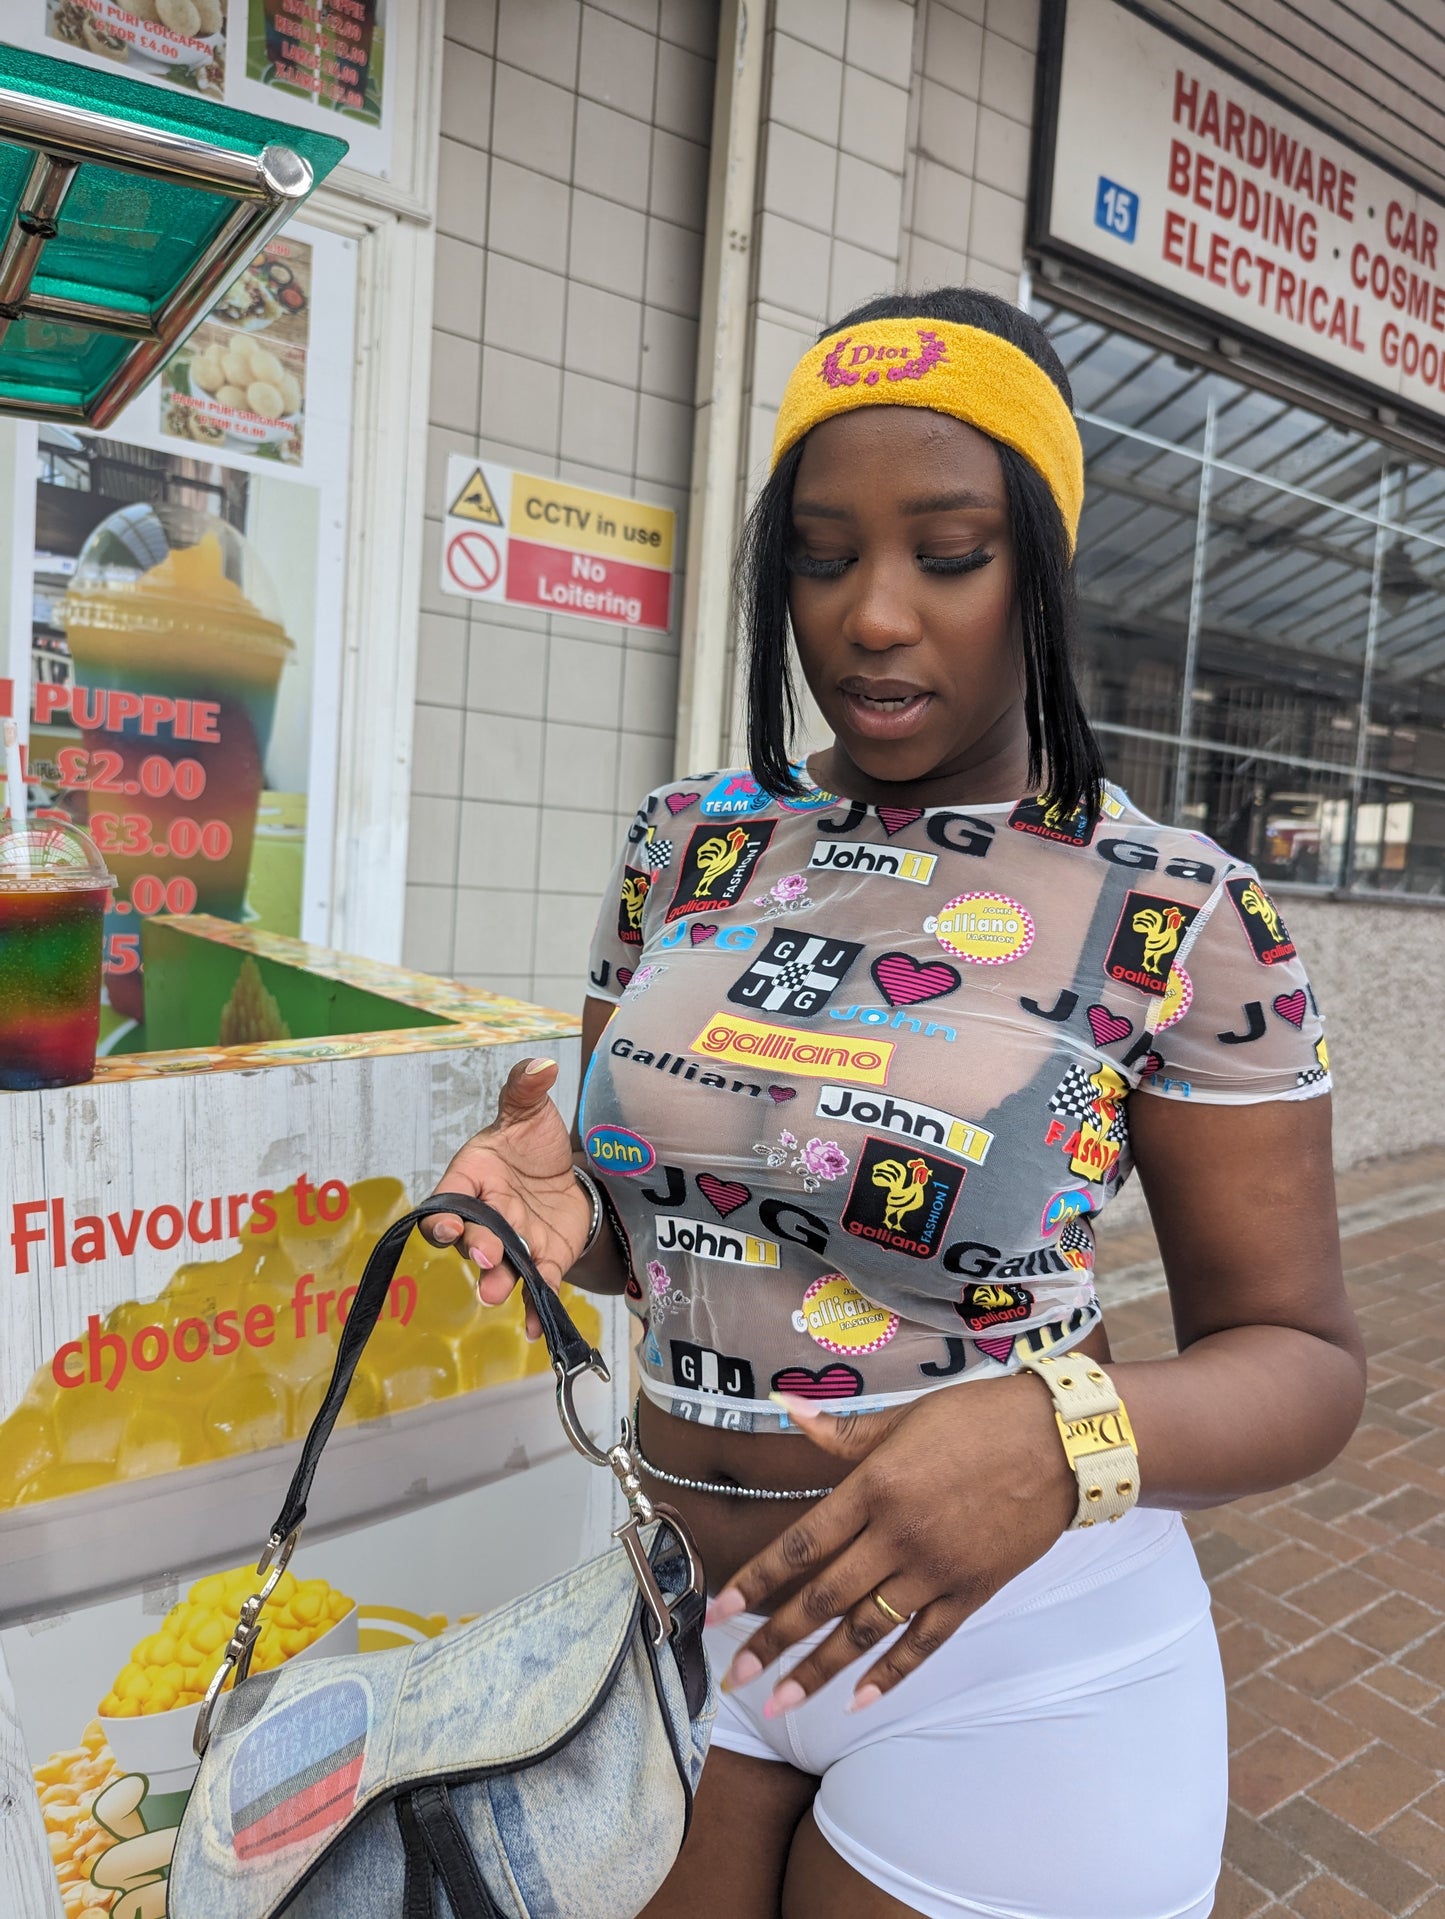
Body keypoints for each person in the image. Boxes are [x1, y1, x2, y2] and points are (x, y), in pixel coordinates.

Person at [425, 288, 1364, 1919]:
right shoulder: (686, 846)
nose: (868, 615)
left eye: (946, 554)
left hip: (1010, 1654)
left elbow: (1306, 1366)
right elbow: (655, 1234)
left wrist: (1061, 1436)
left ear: (1043, 574)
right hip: (686, 1636)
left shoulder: (1174, 908)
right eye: (818, 552)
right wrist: (564, 1215)